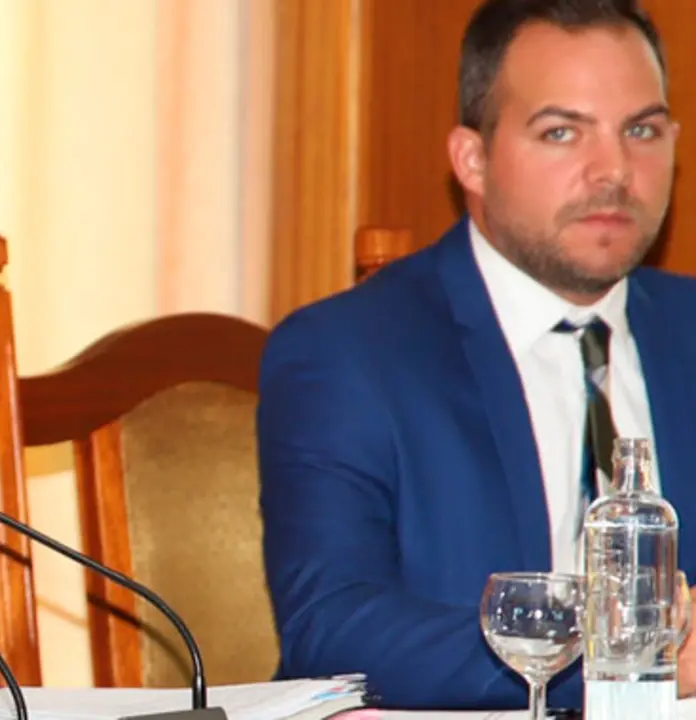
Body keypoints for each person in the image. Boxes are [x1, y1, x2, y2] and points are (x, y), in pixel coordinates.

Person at [257, 0, 696, 711]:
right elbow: (331, 628)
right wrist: (622, 656)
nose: (614, 170)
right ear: (472, 159)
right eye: (561, 132)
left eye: (640, 130)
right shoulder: (347, 353)